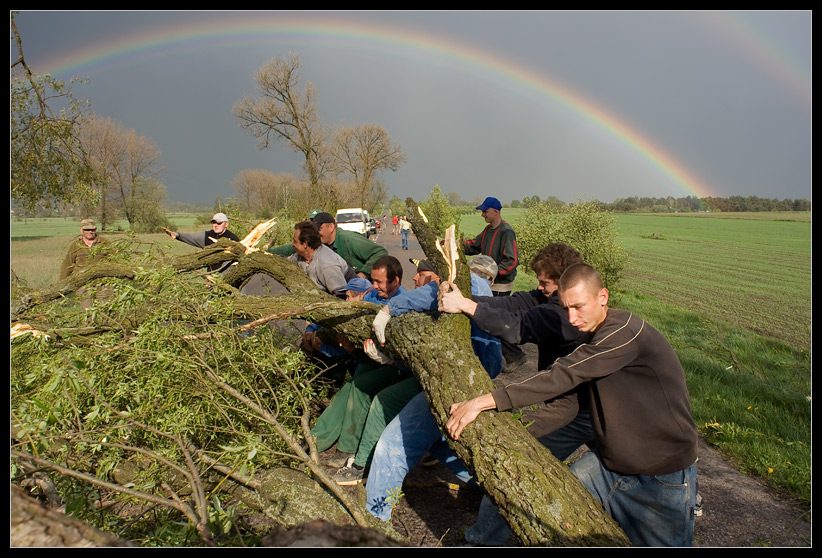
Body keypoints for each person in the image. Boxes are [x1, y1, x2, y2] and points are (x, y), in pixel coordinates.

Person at [445, 263, 700, 547]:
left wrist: (485, 400)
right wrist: (517, 432)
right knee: (538, 489)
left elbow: (566, 373)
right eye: (566, 308)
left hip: (660, 474)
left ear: (603, 297)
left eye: (579, 307)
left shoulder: (624, 332)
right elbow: (568, 402)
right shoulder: (592, 335)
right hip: (610, 464)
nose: (572, 318)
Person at [365, 247, 586, 525]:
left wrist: (465, 305)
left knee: (529, 466)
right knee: (457, 441)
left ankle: (377, 520)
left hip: (577, 406)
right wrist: (449, 300)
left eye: (545, 283)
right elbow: (507, 305)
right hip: (562, 399)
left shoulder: (564, 313)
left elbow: (516, 325)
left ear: (566, 282)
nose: (539, 288)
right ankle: (488, 488)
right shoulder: (544, 298)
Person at [331, 257, 503, 487]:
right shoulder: (490, 306)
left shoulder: (471, 284)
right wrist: (392, 360)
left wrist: (388, 310)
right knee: (438, 435)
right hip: (456, 379)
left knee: (386, 402)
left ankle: (363, 465)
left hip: (446, 380)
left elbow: (427, 296)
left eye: (421, 272)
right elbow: (492, 364)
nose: (415, 276)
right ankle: (484, 485)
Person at [310, 256, 407, 470]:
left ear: (395, 281)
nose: (374, 286)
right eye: (373, 280)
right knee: (346, 390)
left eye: (379, 282)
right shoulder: (373, 296)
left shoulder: (403, 305)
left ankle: (348, 448)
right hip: (369, 361)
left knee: (360, 388)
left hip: (395, 368)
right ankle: (315, 440)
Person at [268, 212, 388, 280]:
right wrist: (266, 253)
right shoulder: (318, 241)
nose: (316, 233)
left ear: (330, 227)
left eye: (319, 229)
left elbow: (380, 253)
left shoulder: (349, 240)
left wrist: (363, 274)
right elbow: (293, 247)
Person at [463, 197, 518, 296]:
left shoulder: (507, 232)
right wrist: (455, 245)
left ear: (496, 212)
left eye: (485, 211)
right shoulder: (488, 230)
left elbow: (512, 261)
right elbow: (474, 245)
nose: (482, 215)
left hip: (500, 287)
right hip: (488, 283)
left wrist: (491, 274)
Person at [287, 221, 356, 298]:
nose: (292, 244)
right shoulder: (301, 256)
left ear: (305, 244)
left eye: (295, 241)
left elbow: (342, 296)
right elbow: (284, 262)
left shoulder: (327, 265)